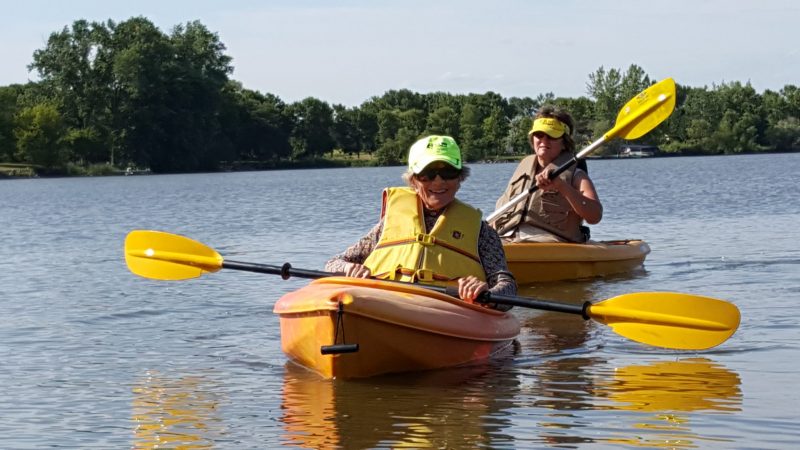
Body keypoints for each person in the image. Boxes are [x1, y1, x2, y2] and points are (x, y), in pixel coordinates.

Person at [325, 135, 516, 309]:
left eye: (448, 172)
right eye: (428, 174)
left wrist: (487, 293)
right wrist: (348, 268)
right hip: (389, 305)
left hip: (448, 312)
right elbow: (333, 263)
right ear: (413, 180)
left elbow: (508, 287)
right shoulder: (388, 225)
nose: (439, 182)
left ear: (460, 178)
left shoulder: (482, 232)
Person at [490, 106, 603, 243]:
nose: (544, 140)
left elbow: (595, 216)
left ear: (564, 143)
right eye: (539, 135)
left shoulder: (576, 175)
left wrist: (561, 186)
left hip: (550, 240)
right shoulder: (524, 168)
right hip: (509, 236)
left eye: (551, 136)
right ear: (533, 140)